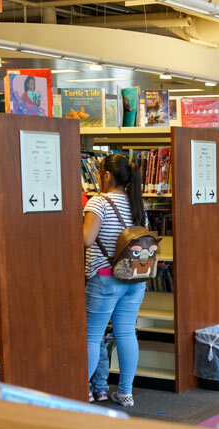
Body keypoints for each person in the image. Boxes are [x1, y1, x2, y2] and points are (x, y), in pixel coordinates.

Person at [84, 154, 148, 407]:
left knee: (91, 337)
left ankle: (81, 391)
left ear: (106, 175)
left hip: (105, 278)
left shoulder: (99, 202)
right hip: (135, 278)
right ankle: (125, 393)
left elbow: (87, 239)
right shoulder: (136, 204)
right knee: (126, 334)